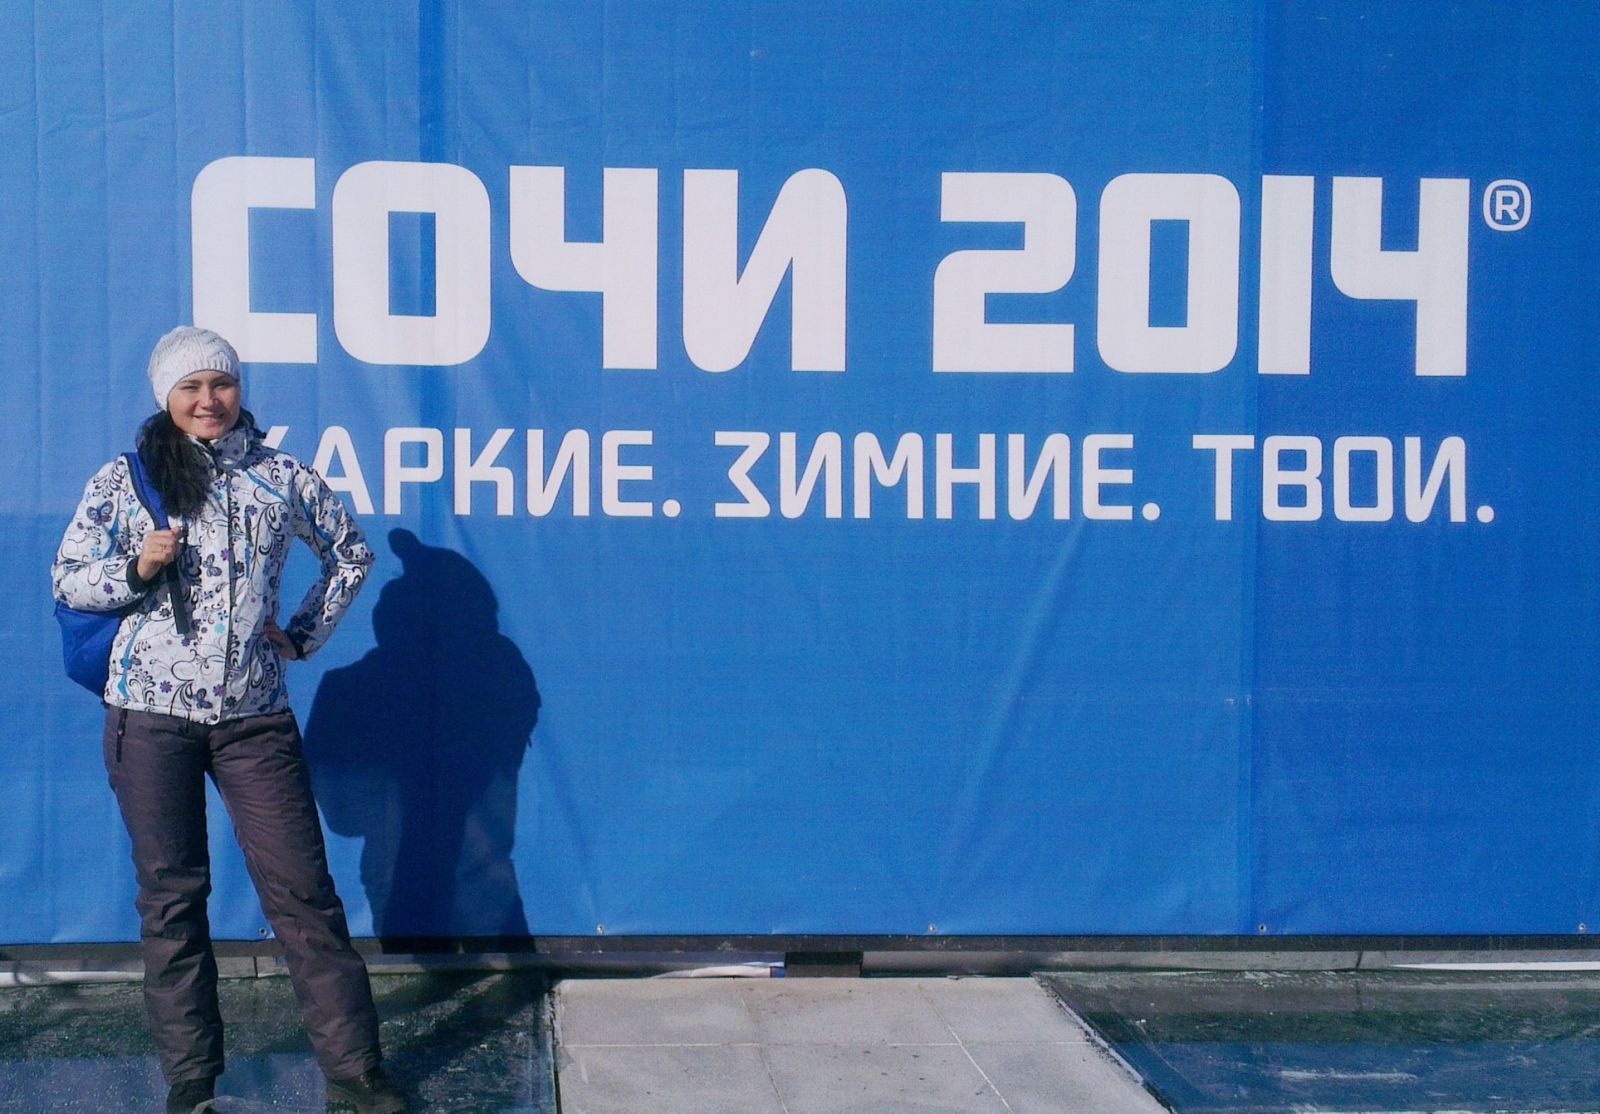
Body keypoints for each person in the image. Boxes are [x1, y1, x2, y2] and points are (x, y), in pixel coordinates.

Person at [51, 327, 407, 1114]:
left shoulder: (282, 477)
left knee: (304, 895)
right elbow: (69, 579)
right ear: (166, 397)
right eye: (191, 388)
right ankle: (191, 1079)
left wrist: (303, 634)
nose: (208, 400)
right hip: (148, 718)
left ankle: (355, 1073)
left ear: (239, 390)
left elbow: (350, 553)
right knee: (172, 898)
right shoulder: (126, 480)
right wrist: (137, 566)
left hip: (254, 719)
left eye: (221, 384)